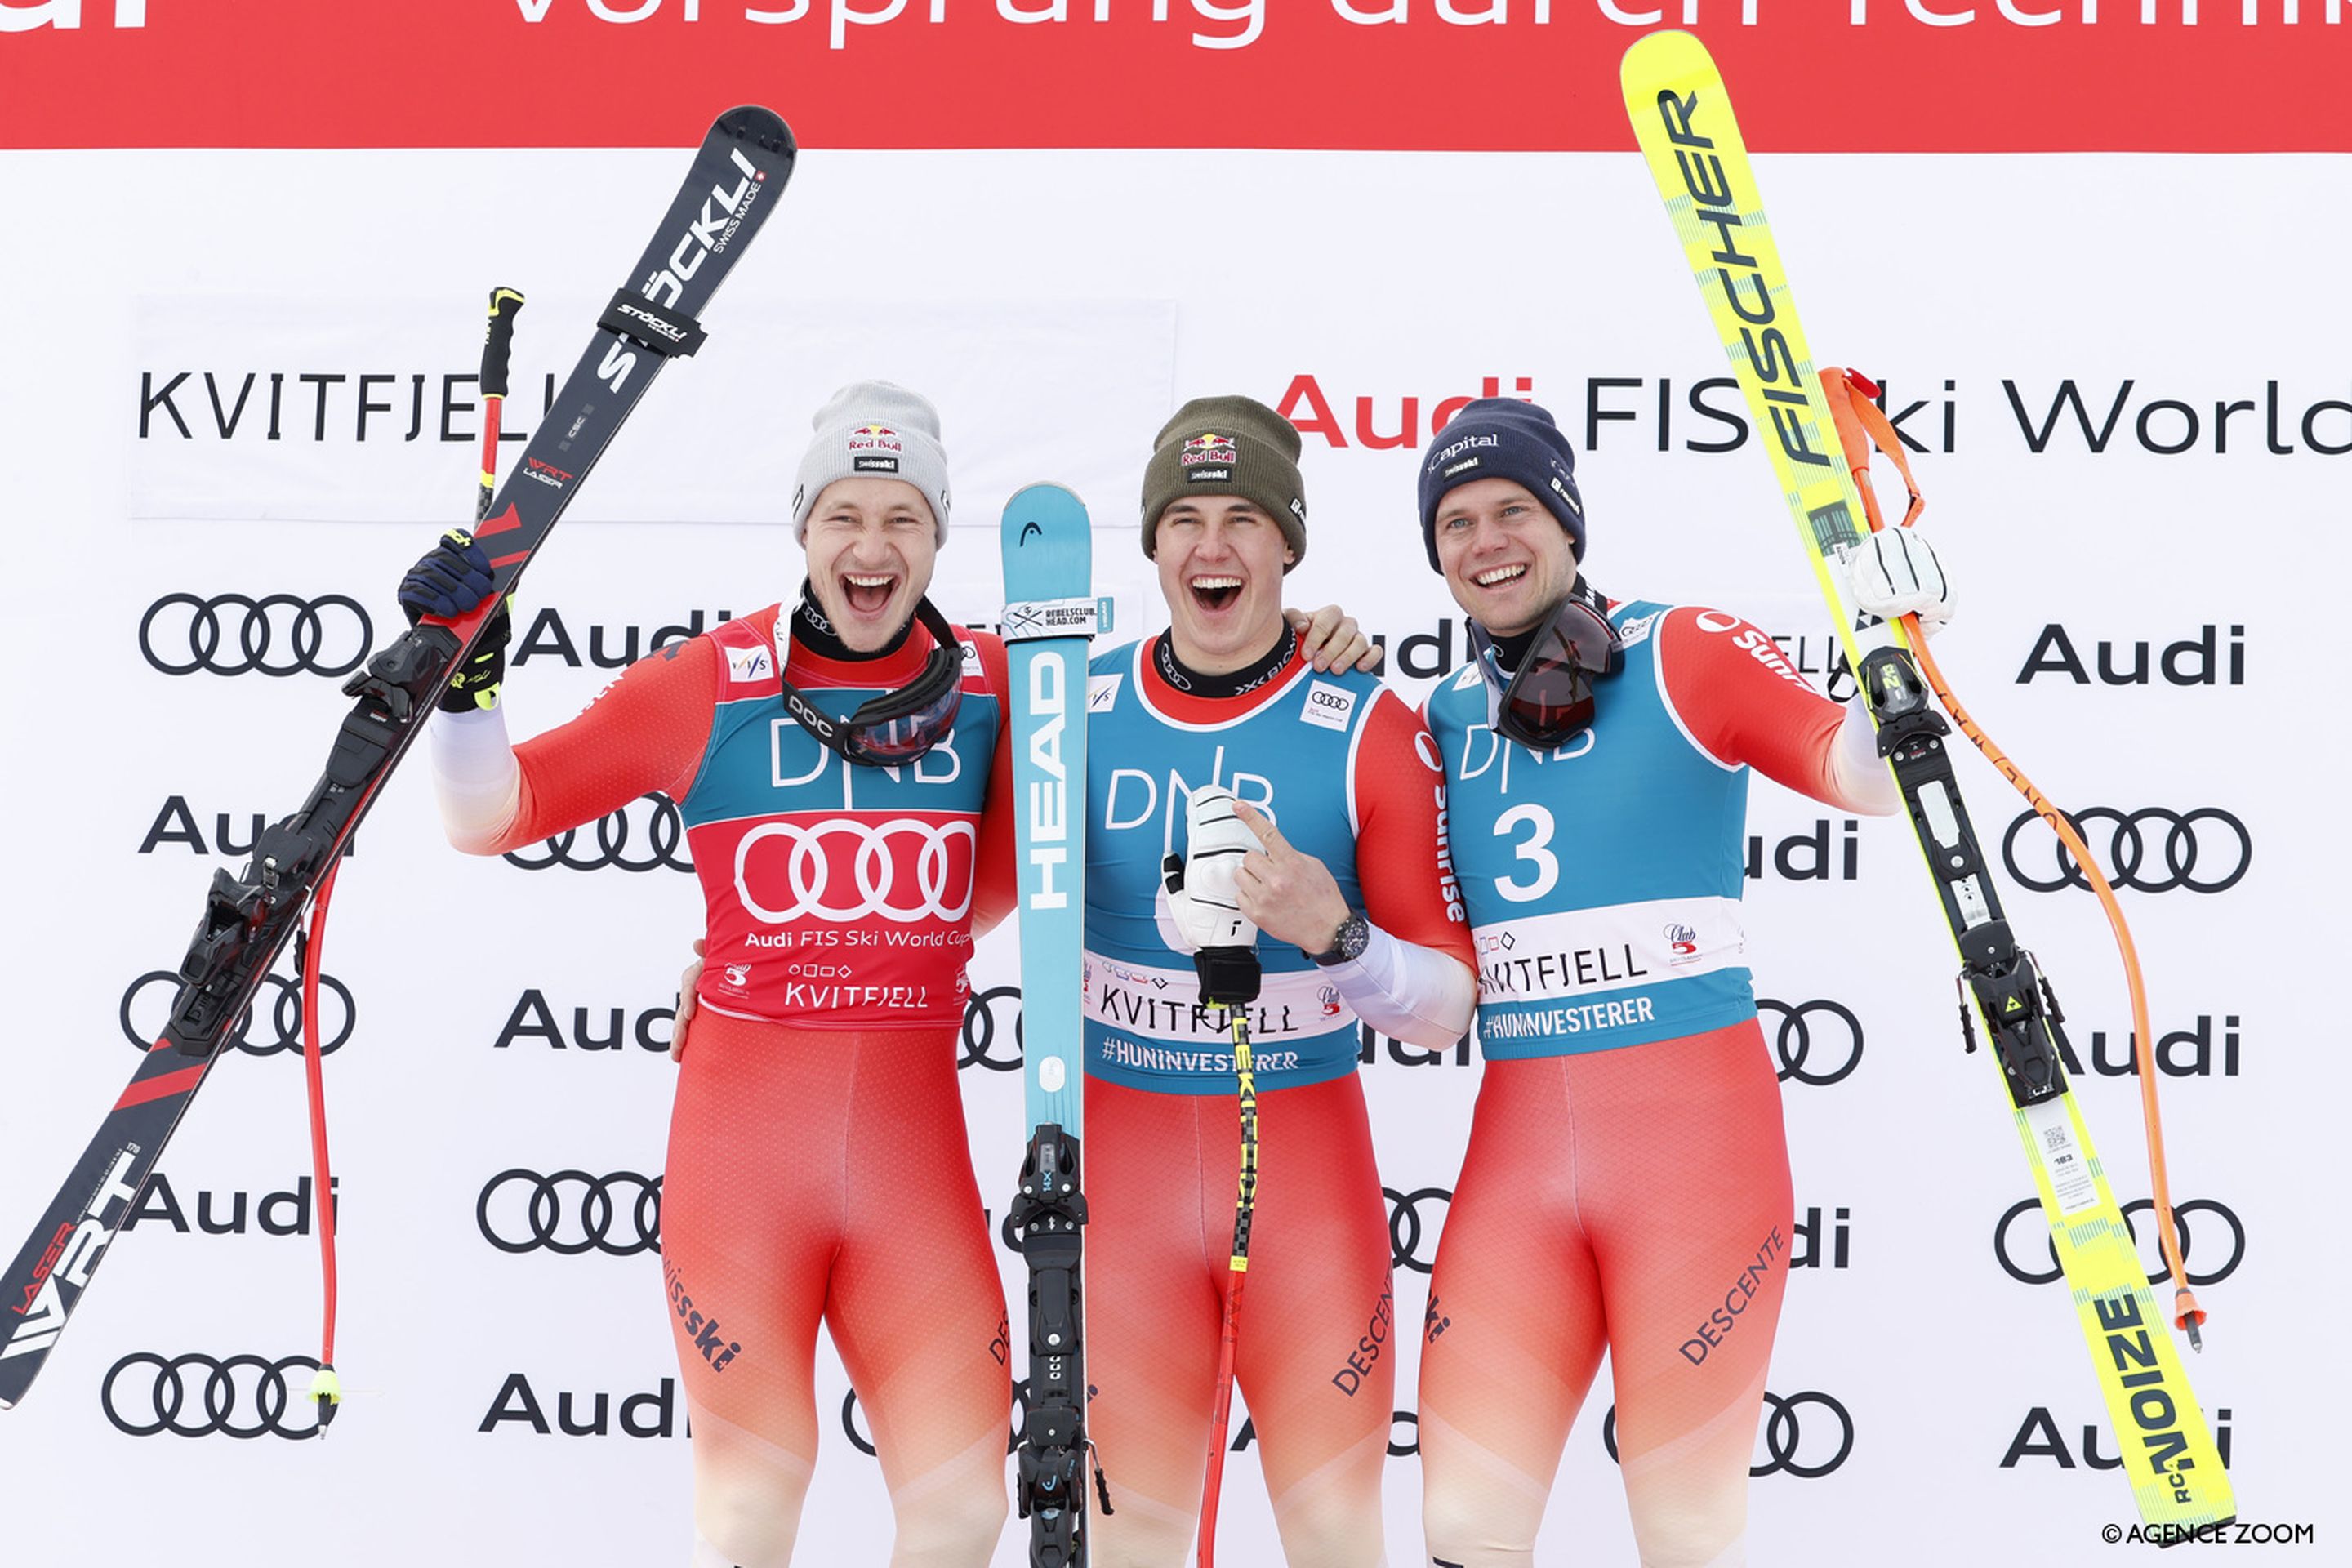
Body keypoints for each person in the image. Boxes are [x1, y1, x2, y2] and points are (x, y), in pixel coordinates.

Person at [408, 382, 1383, 1568]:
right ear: (804, 530)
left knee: (967, 1515)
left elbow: (1029, 858)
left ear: (935, 537)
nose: (872, 549)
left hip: (908, 1187)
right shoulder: (704, 684)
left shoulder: (993, 688)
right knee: (748, 1518)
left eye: (904, 520)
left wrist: (1322, 638)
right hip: (742, 1171)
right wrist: (467, 693)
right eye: (844, 518)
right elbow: (492, 814)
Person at [1407, 399, 1949, 1568]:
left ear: (1568, 523)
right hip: (1518, 1173)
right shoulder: (1442, 716)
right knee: (1460, 1526)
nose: (1487, 540)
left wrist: (1908, 637)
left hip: (1692, 1162)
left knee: (1688, 1533)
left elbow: (1858, 774)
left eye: (1513, 510)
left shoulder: (1681, 647)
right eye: (1455, 522)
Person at [1081, 395, 1477, 1567]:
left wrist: (1335, 932)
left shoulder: (1365, 722)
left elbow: (1448, 1003)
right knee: (1131, 1546)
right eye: (1187, 520)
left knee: (1336, 1538)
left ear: (1287, 547)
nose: (1214, 547)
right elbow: (957, 877)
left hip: (1307, 1194)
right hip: (1126, 1198)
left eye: (1245, 519)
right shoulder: (1073, 709)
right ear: (1152, 546)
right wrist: (737, 945)